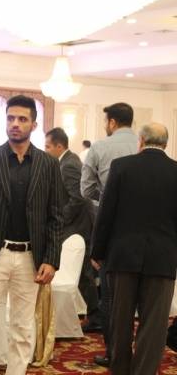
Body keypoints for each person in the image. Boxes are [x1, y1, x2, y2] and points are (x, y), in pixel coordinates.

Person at [0, 95, 63, 375]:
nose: (15, 124)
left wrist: (51, 259)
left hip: (31, 257)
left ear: (34, 125)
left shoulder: (48, 164)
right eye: (10, 118)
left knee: (22, 329)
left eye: (22, 119)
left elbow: (56, 216)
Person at [91, 123, 177, 375]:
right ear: (165, 144)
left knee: (120, 320)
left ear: (140, 141)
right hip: (162, 259)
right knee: (154, 325)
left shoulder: (121, 166)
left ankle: (119, 369)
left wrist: (98, 251)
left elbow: (106, 212)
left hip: (122, 256)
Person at [80, 102, 138, 367]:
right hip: (145, 231)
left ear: (112, 122)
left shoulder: (100, 147)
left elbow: (86, 189)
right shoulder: (143, 145)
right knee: (142, 298)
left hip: (112, 230)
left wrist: (105, 199)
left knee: (111, 296)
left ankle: (115, 353)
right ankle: (142, 354)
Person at [44, 128, 96, 315]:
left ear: (59, 146)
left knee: (83, 271)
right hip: (76, 223)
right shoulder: (66, 161)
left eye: (48, 147)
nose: (45, 150)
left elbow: (78, 198)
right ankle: (88, 311)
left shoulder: (68, 165)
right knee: (81, 270)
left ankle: (94, 313)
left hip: (78, 224)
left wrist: (60, 220)